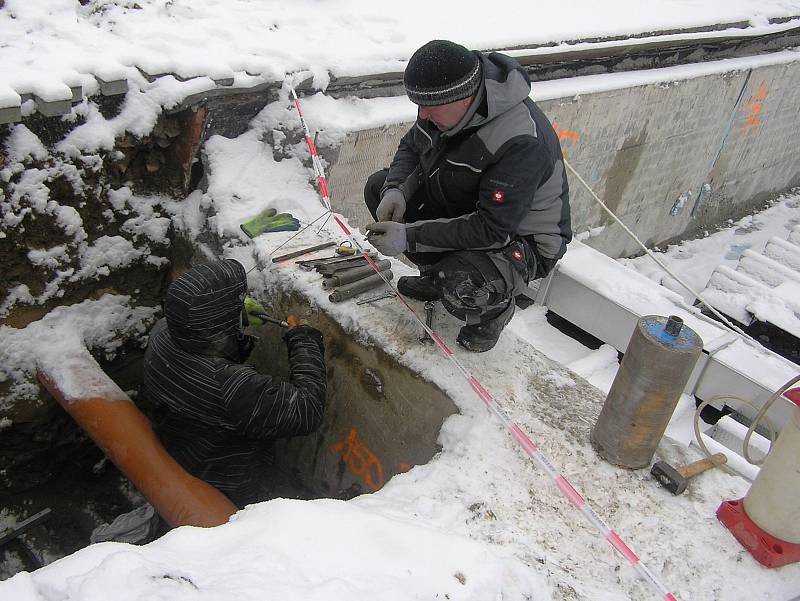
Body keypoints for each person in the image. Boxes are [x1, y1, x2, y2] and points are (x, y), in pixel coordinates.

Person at [365, 39, 572, 352]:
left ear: (464, 97)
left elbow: (491, 228)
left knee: (462, 280)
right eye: (418, 105)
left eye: (429, 106)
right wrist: (396, 189)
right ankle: (435, 276)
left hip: (522, 241)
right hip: (472, 207)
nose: (422, 114)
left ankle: (493, 311)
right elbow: (412, 146)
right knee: (377, 187)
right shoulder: (447, 110)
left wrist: (408, 237)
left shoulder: (520, 141)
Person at [143, 259, 326, 508]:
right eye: (238, 301)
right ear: (218, 321)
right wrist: (304, 341)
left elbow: (208, 352)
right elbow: (306, 410)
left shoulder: (163, 332)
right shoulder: (229, 386)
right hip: (227, 484)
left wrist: (235, 321)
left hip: (183, 451)